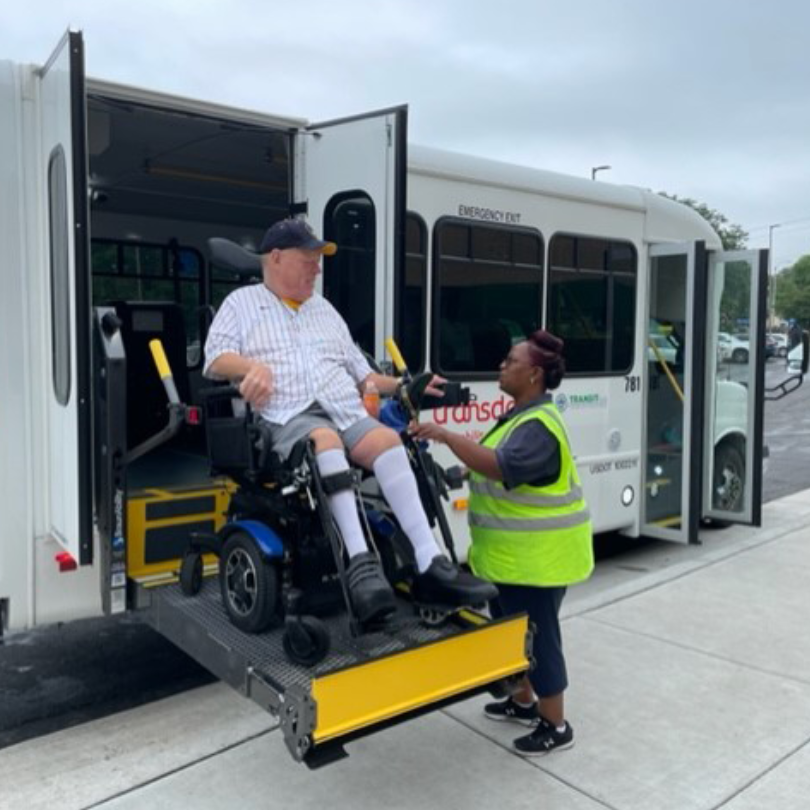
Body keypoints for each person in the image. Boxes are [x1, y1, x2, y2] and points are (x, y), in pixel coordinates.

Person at [203, 218, 496, 626]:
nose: (317, 269)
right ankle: (360, 567)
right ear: (276, 258)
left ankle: (430, 565)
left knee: (389, 442)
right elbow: (214, 360)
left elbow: (364, 376)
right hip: (289, 415)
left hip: (343, 408)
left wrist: (405, 386)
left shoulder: (324, 310)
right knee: (325, 440)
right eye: (309, 260)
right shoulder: (243, 303)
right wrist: (251, 366)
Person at [409, 329, 593, 756]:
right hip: (511, 559)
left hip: (538, 561)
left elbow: (501, 465)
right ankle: (524, 702)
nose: (501, 367)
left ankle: (555, 724)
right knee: (514, 635)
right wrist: (455, 476)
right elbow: (492, 465)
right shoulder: (518, 416)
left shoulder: (538, 426)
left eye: (510, 361)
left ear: (533, 374)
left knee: (539, 638)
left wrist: (448, 437)